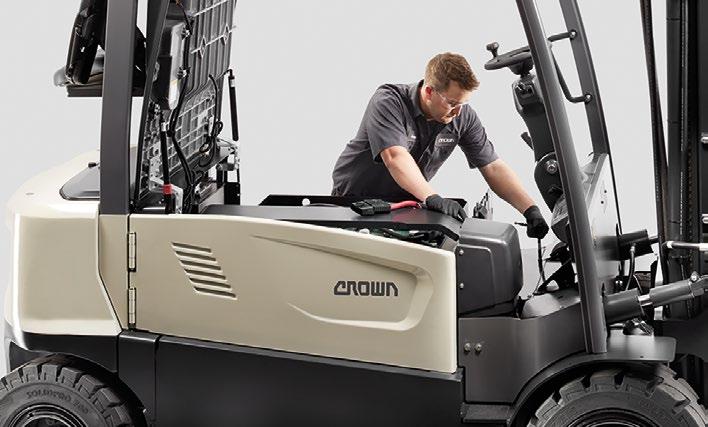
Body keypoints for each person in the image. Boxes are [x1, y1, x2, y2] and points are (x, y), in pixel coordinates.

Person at [331, 52, 549, 239]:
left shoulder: (462, 116)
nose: (458, 112)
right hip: (354, 204)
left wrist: (530, 210)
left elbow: (492, 167)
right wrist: (433, 198)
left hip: (403, 206)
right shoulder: (389, 101)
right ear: (429, 91)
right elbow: (396, 157)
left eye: (463, 103)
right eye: (452, 103)